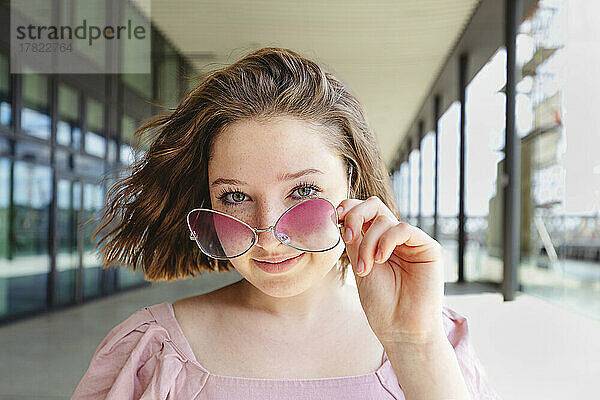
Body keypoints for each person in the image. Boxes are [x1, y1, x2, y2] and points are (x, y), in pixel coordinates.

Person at [71, 47, 500, 400]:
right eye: (236, 197)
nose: (268, 234)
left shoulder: (435, 338)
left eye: (303, 192)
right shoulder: (152, 353)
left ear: (352, 181)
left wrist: (415, 346)